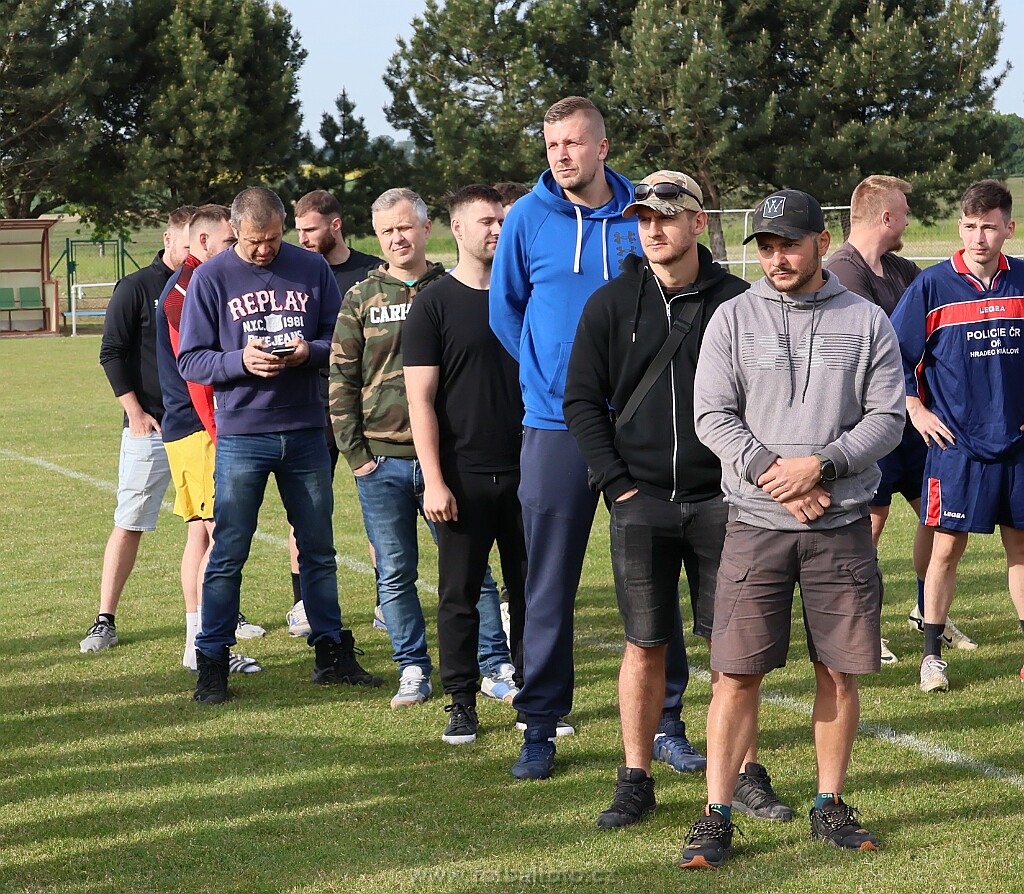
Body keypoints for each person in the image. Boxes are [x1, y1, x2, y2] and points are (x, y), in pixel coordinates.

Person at [682, 189, 904, 868]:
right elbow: (712, 414)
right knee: (735, 673)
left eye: (790, 244)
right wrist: (777, 474)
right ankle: (716, 814)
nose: (777, 258)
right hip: (755, 522)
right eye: (767, 246)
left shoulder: (866, 320)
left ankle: (829, 803)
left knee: (837, 670)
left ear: (821, 241)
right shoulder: (732, 318)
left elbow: (887, 418)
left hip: (841, 525)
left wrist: (822, 466)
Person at [565, 170, 792, 828]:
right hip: (641, 504)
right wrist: (617, 484)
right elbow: (581, 401)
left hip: (727, 503)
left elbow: (768, 398)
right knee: (643, 644)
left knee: (735, 652)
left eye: (667, 216)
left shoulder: (740, 302)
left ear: (698, 222)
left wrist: (751, 477)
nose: (654, 229)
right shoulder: (610, 303)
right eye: (644, 218)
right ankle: (635, 779)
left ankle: (745, 775)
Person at [490, 96, 697, 779]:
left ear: (602, 147)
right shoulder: (526, 219)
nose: (561, 155)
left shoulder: (643, 214)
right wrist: (553, 375)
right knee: (546, 584)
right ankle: (539, 724)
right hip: (555, 428)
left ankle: (667, 722)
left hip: (640, 428)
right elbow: (506, 312)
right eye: (552, 145)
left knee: (655, 579)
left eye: (573, 143)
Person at [178, 186, 382, 704]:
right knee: (229, 550)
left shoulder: (310, 268)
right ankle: (213, 660)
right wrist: (239, 361)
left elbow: (341, 341)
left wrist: (307, 352)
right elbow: (191, 360)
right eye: (253, 241)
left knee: (318, 549)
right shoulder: (211, 276)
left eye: (272, 238)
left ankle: (331, 652)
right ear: (234, 231)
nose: (265, 249)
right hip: (242, 434)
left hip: (306, 430)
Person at [331, 187, 518, 710]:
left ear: (426, 228)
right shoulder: (361, 298)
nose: (397, 238)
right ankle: (412, 667)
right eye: (387, 231)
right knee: (394, 572)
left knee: (472, 571)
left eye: (405, 227)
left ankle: (494, 662)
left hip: (453, 461)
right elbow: (340, 380)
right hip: (384, 461)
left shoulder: (453, 287)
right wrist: (358, 458)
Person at [826, 175, 975, 664]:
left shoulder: (900, 268)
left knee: (936, 516)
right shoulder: (841, 273)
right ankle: (862, 627)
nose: (909, 220)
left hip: (912, 424)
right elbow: (878, 348)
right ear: (886, 217)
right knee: (870, 524)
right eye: (905, 212)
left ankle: (926, 611)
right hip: (867, 425)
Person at [890, 179, 1024, 693]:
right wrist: (914, 407)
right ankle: (931, 657)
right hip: (956, 445)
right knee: (945, 549)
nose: (978, 237)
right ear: (959, 227)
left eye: (989, 227)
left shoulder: (1022, 281)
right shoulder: (932, 286)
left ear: (1009, 228)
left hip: (1017, 445)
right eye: (969, 226)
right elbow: (892, 356)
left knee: (1020, 548)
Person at [404, 185, 526, 745]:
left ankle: (536, 698)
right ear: (456, 229)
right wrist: (434, 480)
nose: (497, 229)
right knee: (459, 596)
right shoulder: (433, 304)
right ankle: (461, 702)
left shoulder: (524, 295)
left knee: (532, 593)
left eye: (502, 219)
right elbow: (420, 401)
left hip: (527, 471)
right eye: (486, 221)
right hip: (461, 477)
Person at [82, 207, 195, 653]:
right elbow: (111, 352)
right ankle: (104, 619)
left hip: (199, 429)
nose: (195, 250)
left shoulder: (205, 283)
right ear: (169, 239)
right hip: (150, 427)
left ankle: (219, 615)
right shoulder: (135, 287)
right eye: (188, 243)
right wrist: (135, 413)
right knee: (129, 522)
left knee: (206, 527)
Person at [155, 204, 261, 675]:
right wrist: (219, 434)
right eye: (228, 241)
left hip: (190, 428)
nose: (236, 250)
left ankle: (195, 642)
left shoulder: (192, 283)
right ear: (202, 242)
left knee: (201, 533)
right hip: (199, 429)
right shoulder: (186, 290)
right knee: (222, 538)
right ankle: (207, 646)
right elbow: (196, 375)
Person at [287, 190, 384, 637]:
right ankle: (303, 603)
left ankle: (386, 602)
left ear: (336, 224)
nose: (303, 238)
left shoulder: (370, 273)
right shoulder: (296, 273)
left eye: (310, 229)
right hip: (313, 406)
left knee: (380, 506)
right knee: (305, 509)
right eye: (299, 230)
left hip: (368, 407)